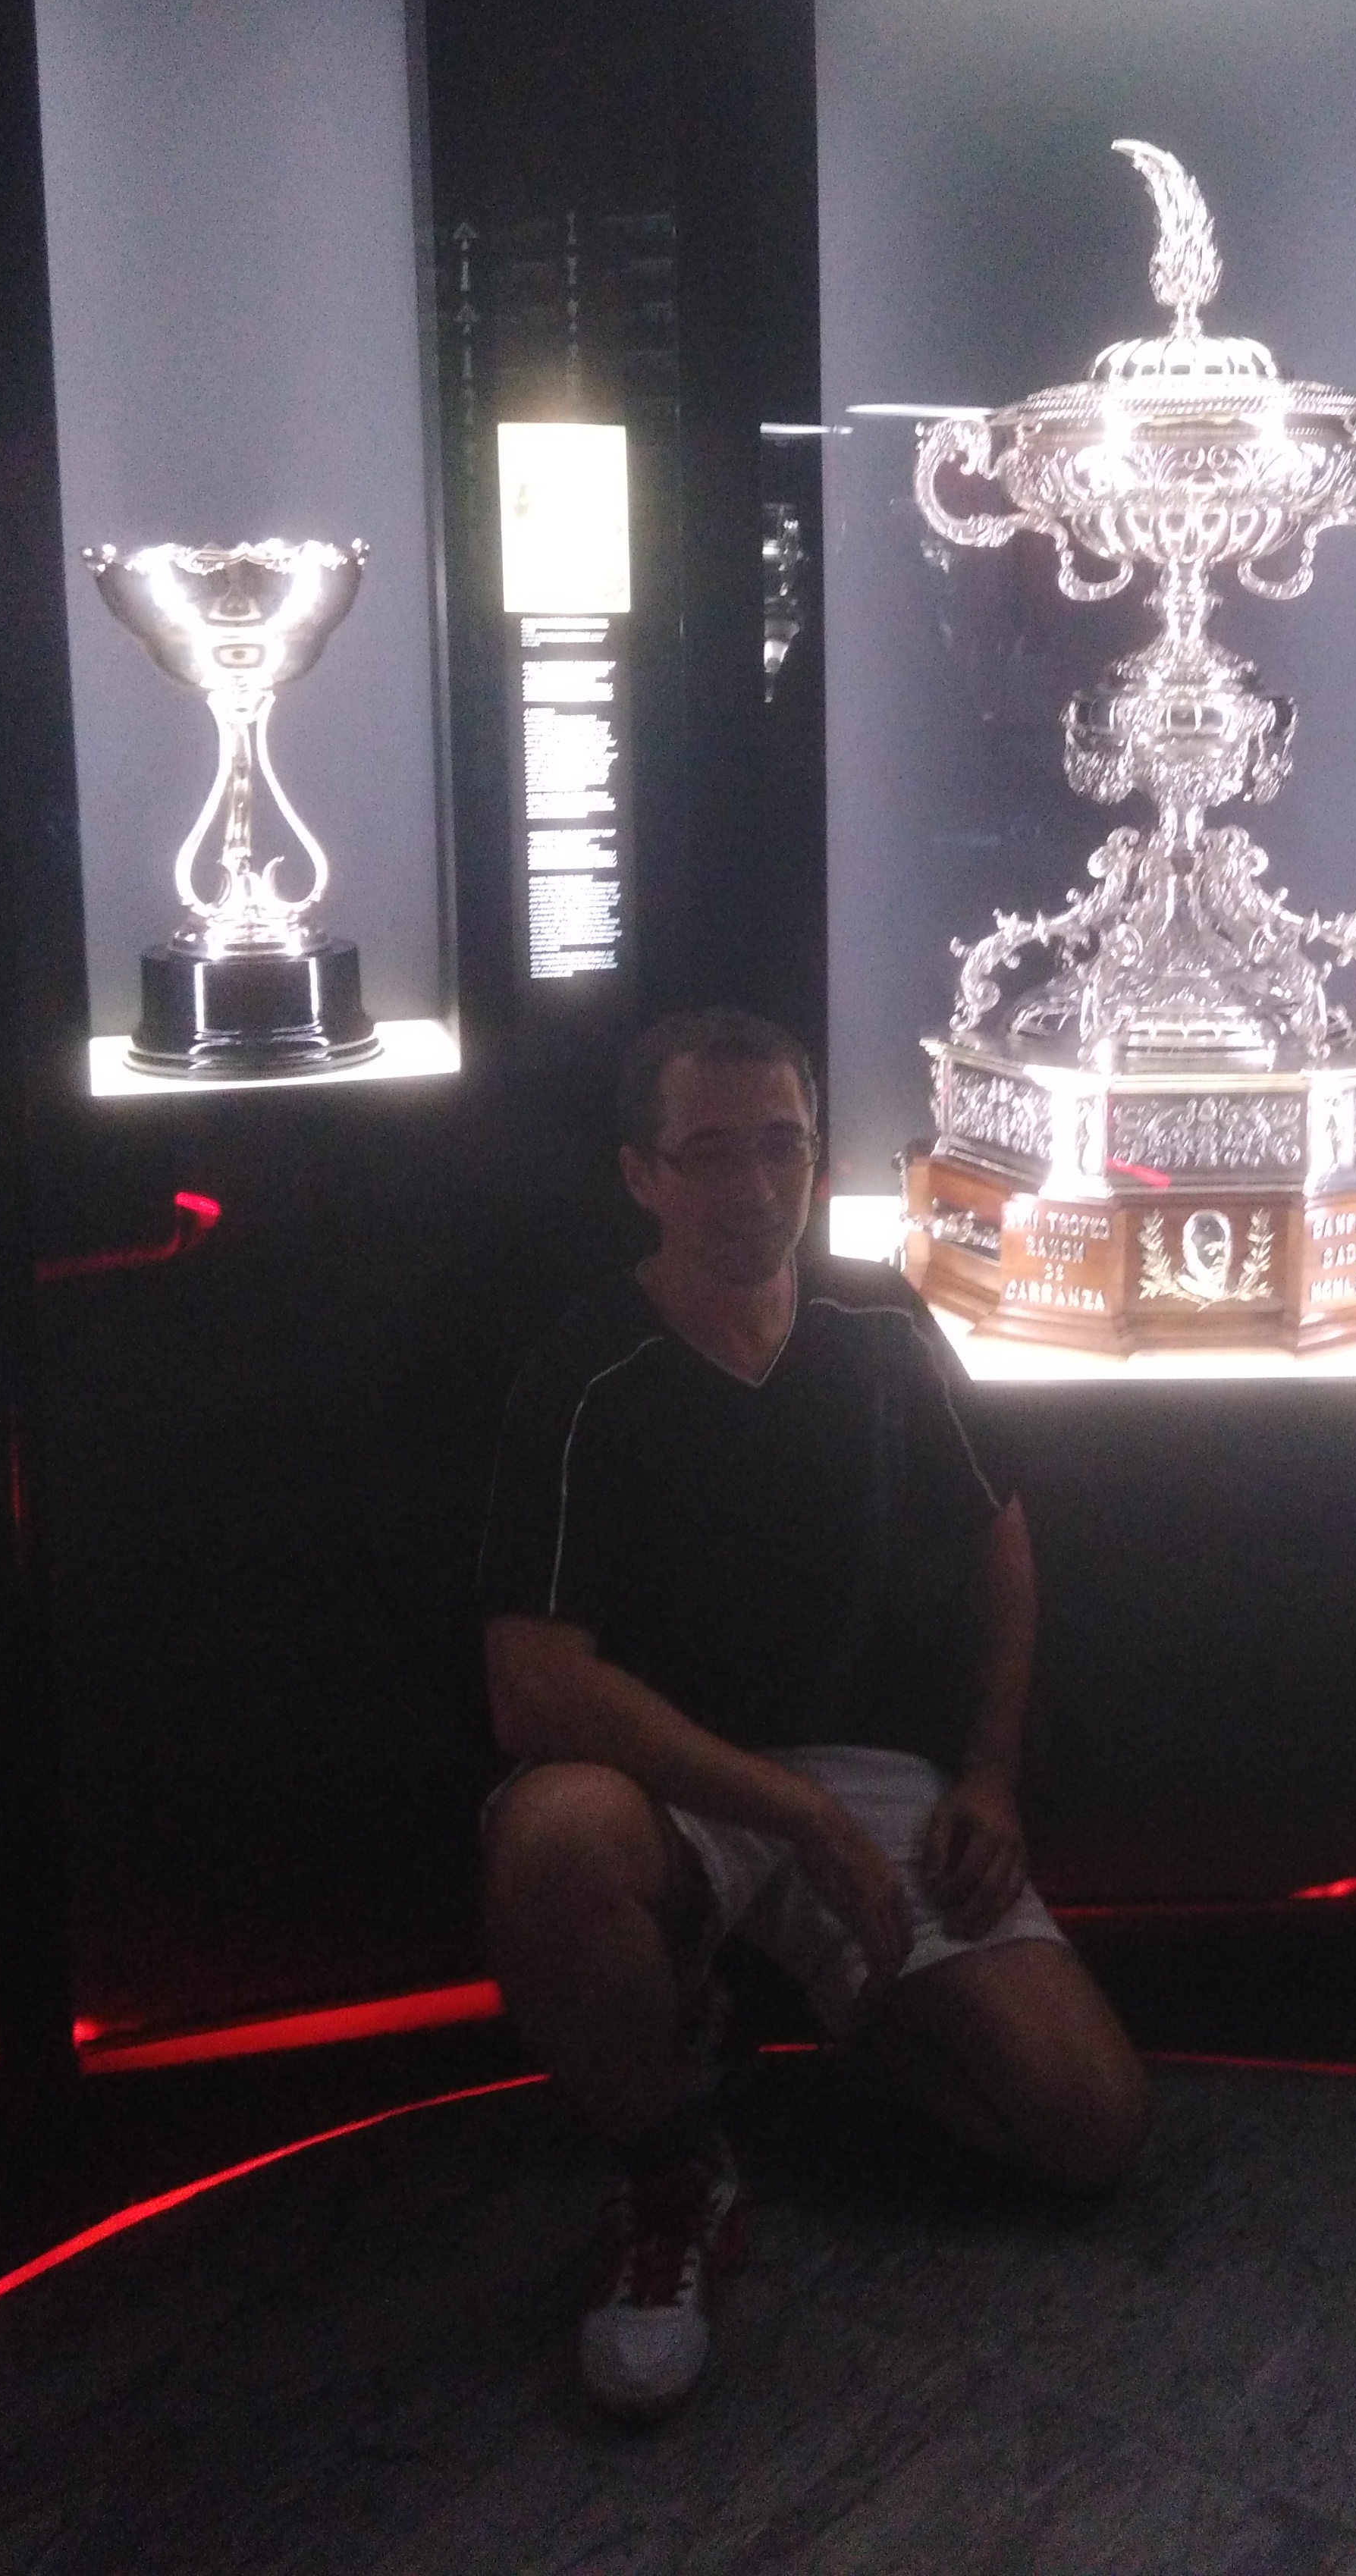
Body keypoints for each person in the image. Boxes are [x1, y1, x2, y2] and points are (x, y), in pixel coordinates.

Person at [477, 1005, 1150, 2418]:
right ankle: (673, 2178)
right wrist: (793, 1815)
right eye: (710, 1153)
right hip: (671, 1790)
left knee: (1089, 2122)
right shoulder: (583, 1375)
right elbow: (534, 1684)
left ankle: (799, 2018)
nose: (753, 1187)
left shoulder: (881, 1324)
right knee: (550, 1842)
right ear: (642, 1175)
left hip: (872, 1767)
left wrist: (990, 1775)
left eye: (780, 1146)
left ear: (819, 1154)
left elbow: (1001, 1535)